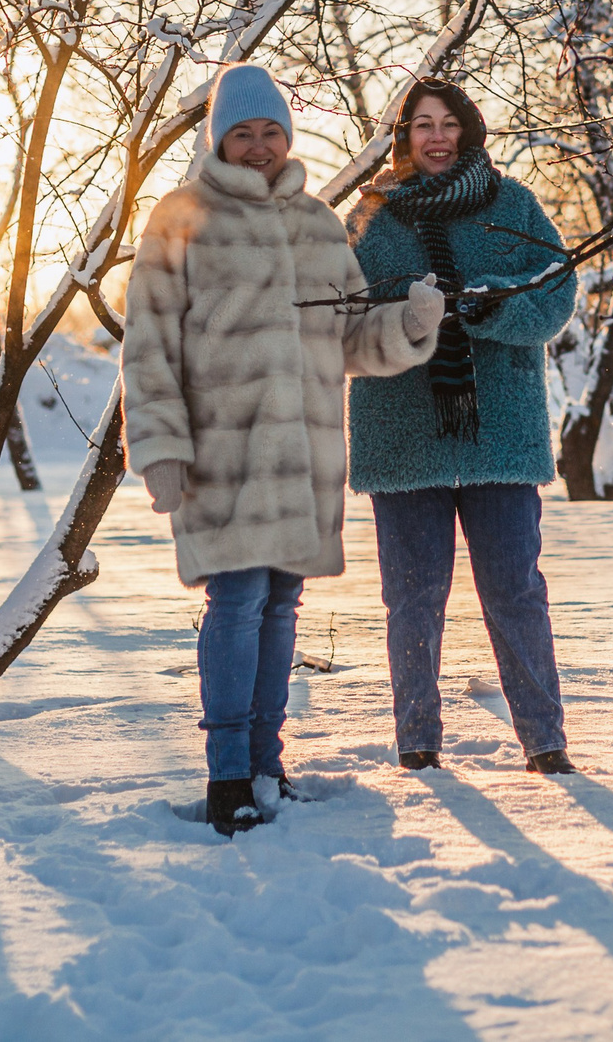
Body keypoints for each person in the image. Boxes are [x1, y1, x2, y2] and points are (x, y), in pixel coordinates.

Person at [122, 63, 444, 835]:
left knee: (281, 605)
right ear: (220, 138)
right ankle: (227, 774)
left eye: (272, 131)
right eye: (244, 132)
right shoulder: (180, 216)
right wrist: (160, 447)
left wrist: (410, 322)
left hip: (302, 459)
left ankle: (268, 763)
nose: (260, 145)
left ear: (287, 137)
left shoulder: (318, 224)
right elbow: (149, 344)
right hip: (221, 458)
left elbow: (352, 338)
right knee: (234, 602)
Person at [347, 78, 580, 774]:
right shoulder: (372, 218)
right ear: (404, 136)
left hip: (500, 436)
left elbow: (556, 289)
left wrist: (494, 309)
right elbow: (343, 322)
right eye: (422, 123)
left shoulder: (513, 207)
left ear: (470, 130)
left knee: (515, 590)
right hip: (401, 432)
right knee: (411, 599)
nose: (436, 135)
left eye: (448, 122)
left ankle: (545, 740)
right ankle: (416, 741)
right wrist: (409, 321)